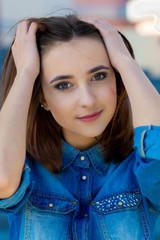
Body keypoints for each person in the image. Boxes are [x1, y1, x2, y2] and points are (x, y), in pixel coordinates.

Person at [0, 14, 160, 240]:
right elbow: (2, 180)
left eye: (99, 75)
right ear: (42, 98)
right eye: (63, 85)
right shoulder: (23, 167)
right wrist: (25, 72)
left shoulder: (139, 166)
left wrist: (125, 61)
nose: (87, 99)